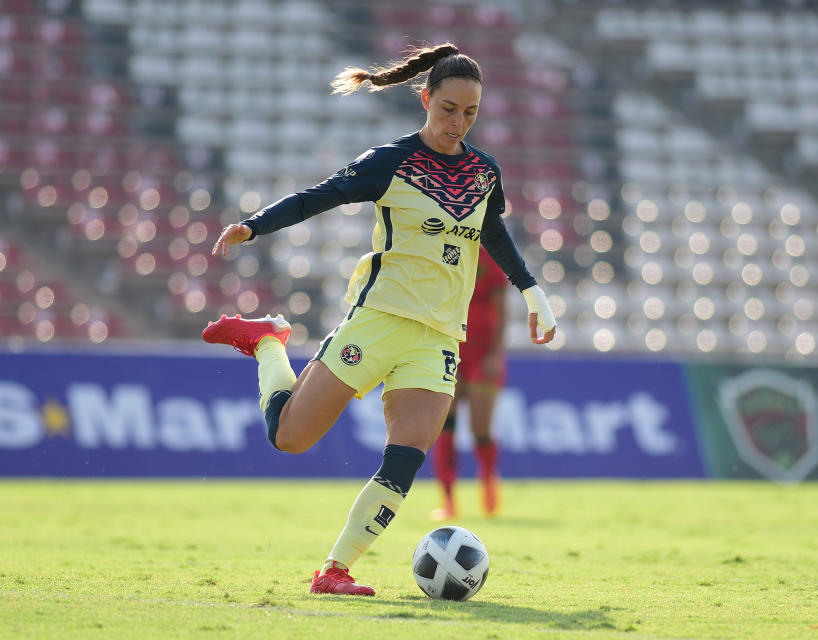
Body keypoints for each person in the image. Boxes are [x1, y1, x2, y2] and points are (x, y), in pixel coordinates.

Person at [202, 43, 557, 597]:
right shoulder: (392, 162)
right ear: (425, 99)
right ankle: (269, 342)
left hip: (439, 336)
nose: (457, 123)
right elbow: (320, 197)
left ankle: (334, 570)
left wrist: (533, 291)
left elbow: (493, 233)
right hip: (378, 320)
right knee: (290, 438)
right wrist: (255, 225)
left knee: (406, 458)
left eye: (470, 113)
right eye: (448, 109)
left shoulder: (485, 173)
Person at [431, 246, 507, 521]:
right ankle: (448, 501)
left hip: (481, 354)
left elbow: (501, 312)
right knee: (445, 426)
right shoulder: (444, 250)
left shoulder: (491, 257)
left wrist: (495, 354)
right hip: (450, 350)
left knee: (480, 430)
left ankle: (488, 484)